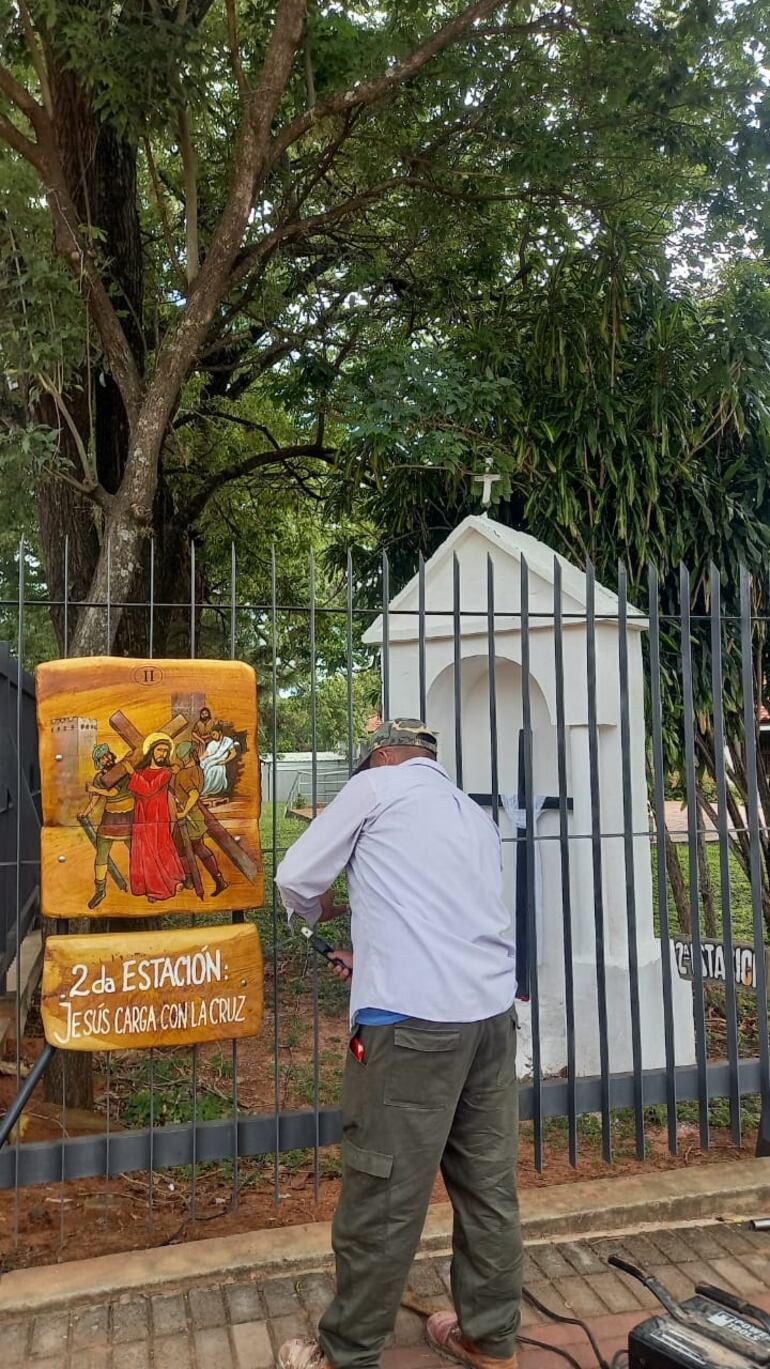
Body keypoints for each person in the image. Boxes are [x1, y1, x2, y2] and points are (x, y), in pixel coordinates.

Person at [275, 719, 521, 1369]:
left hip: (411, 1029)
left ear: (381, 756)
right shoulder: (469, 812)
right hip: (491, 1019)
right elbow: (438, 914)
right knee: (487, 1185)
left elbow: (295, 877)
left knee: (382, 1191)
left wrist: (318, 913)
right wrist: (373, 952)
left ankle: (346, 1353)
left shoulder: (374, 787)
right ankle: (491, 1339)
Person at [126, 733, 186, 902]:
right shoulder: (142, 771)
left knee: (159, 850)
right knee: (144, 852)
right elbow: (137, 791)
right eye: (160, 750)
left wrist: (132, 775)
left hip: (158, 817)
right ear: (152, 751)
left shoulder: (165, 773)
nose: (163, 754)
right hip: (141, 817)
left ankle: (165, 886)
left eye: (166, 751)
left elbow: (148, 789)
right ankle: (146, 886)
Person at [78, 743, 134, 909]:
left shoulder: (122, 770)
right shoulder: (99, 777)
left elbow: (113, 792)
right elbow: (95, 797)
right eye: (102, 758)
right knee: (101, 854)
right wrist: (86, 812)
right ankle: (100, 890)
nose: (106, 758)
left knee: (137, 851)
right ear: (99, 762)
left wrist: (94, 788)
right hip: (110, 818)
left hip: (128, 816)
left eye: (107, 755)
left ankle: (144, 883)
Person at [173, 740, 228, 896]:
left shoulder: (185, 774)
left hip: (189, 818)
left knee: (184, 849)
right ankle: (217, 879)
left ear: (189, 755)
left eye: (183, 756)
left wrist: (184, 813)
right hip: (195, 815)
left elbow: (194, 794)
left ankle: (191, 879)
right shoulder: (197, 770)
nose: (181, 759)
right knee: (196, 848)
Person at [200, 725, 239, 798]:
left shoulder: (228, 741)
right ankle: (203, 789)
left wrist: (225, 761)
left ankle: (206, 791)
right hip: (210, 760)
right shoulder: (212, 743)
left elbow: (234, 753)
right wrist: (200, 758)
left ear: (220, 732)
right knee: (203, 767)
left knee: (213, 770)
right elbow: (206, 753)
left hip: (221, 762)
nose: (213, 736)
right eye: (212, 735)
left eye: (214, 734)